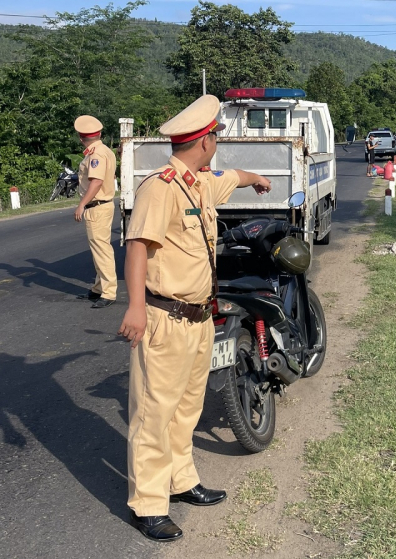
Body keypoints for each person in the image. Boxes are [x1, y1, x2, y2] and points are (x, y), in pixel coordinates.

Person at [117, 95, 272, 543]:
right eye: (216, 136)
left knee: (187, 407)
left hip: (200, 318)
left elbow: (234, 178)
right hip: (164, 318)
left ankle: (181, 480)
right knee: (154, 413)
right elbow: (137, 247)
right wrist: (133, 307)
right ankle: (147, 504)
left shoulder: (199, 183)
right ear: (204, 141)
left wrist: (256, 179)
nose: (217, 143)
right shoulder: (160, 188)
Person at [73, 115, 117, 308]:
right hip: (101, 206)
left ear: (81, 137)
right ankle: (99, 288)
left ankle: (108, 292)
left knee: (101, 250)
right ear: (98, 134)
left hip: (97, 206)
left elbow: (96, 182)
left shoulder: (96, 154)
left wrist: (81, 204)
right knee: (98, 249)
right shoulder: (103, 150)